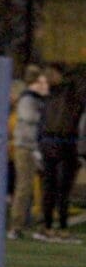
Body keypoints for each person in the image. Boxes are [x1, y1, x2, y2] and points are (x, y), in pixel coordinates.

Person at [34, 63, 85, 244]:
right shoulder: (64, 95)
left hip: (54, 143)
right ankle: (56, 228)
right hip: (61, 144)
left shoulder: (59, 94)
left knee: (55, 188)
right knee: (58, 188)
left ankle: (51, 227)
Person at [8, 69, 48, 240]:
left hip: (32, 147)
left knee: (35, 188)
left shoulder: (35, 99)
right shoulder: (28, 99)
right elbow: (28, 117)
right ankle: (16, 225)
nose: (46, 86)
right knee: (24, 187)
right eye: (42, 82)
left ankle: (34, 222)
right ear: (35, 83)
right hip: (26, 147)